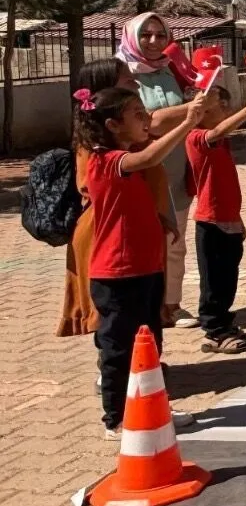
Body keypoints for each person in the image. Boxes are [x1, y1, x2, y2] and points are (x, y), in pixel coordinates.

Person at [75, 85, 205, 439]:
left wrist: (158, 219)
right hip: (117, 274)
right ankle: (116, 418)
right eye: (137, 114)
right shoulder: (104, 160)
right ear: (113, 125)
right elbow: (148, 159)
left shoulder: (128, 154)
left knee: (150, 345)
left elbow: (127, 201)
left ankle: (153, 408)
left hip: (147, 268)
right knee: (119, 350)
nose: (146, 119)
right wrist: (188, 123)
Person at [60, 59, 161, 339]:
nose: (135, 84)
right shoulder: (100, 151)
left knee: (135, 318)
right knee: (113, 323)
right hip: (106, 235)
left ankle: (139, 361)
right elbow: (148, 157)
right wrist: (190, 120)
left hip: (131, 238)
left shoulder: (127, 134)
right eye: (127, 80)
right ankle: (115, 365)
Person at [115, 12, 198, 329]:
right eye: (146, 34)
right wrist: (192, 109)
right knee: (142, 242)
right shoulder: (120, 72)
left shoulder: (170, 69)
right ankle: (143, 307)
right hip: (139, 171)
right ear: (132, 36)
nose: (153, 41)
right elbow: (149, 123)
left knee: (175, 241)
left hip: (175, 168)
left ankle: (171, 305)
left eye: (160, 35)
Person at [187, 88, 246, 353]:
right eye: (220, 105)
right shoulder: (196, 136)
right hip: (210, 221)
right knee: (213, 282)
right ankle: (214, 331)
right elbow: (216, 132)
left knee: (227, 279)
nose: (226, 110)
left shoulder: (221, 142)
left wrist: (237, 220)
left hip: (229, 220)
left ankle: (225, 325)